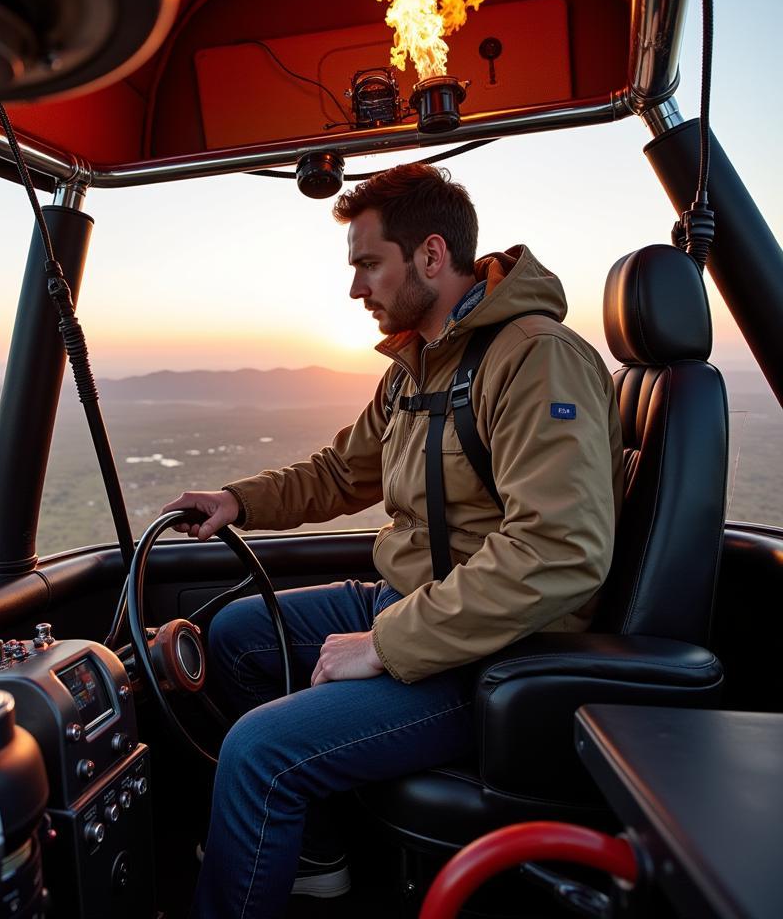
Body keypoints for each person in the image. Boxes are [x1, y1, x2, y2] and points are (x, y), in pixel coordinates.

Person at [164, 163, 623, 919]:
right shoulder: (417, 362)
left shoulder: (536, 358)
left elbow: (560, 552)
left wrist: (385, 642)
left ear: (432, 257)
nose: (356, 289)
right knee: (236, 634)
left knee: (258, 755)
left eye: (368, 264)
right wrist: (239, 500)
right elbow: (345, 471)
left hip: (493, 650)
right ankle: (313, 854)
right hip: (416, 600)